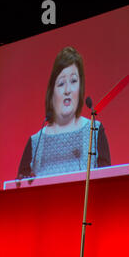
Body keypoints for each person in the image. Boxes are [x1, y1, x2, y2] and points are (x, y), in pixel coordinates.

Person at [17, 46, 111, 179]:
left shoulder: (94, 130)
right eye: (61, 83)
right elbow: (20, 190)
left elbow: (106, 184)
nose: (67, 90)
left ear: (80, 87)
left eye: (73, 81)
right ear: (52, 92)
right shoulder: (35, 142)